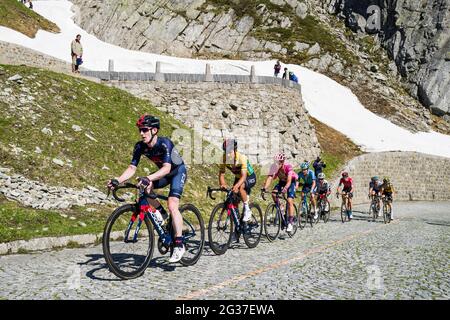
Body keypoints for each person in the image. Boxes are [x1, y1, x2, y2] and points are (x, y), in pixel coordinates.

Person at [106, 115, 187, 263]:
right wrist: (118, 180)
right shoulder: (140, 146)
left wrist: (149, 177)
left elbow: (167, 167)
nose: (141, 133)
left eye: (144, 130)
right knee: (145, 187)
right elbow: (132, 168)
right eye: (139, 130)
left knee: (172, 204)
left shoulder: (165, 143)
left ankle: (179, 244)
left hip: (177, 172)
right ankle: (162, 215)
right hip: (164, 173)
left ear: (154, 130)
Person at [219, 138, 256, 222]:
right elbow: (221, 173)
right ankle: (237, 224)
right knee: (233, 197)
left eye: (230, 152)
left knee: (239, 188)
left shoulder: (242, 158)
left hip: (249, 176)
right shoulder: (224, 158)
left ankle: (247, 210)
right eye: (226, 151)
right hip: (238, 177)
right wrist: (223, 183)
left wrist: (236, 186)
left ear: (235, 150)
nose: (228, 154)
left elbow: (244, 176)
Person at [261, 152, 298, 232]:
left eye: (277, 163)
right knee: (274, 194)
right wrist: (264, 188)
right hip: (282, 181)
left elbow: (288, 181)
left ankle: (290, 223)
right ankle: (281, 209)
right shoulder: (273, 167)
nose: (276, 164)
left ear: (282, 162)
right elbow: (270, 178)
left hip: (291, 182)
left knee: (289, 200)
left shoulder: (288, 167)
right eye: (275, 162)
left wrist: (284, 190)